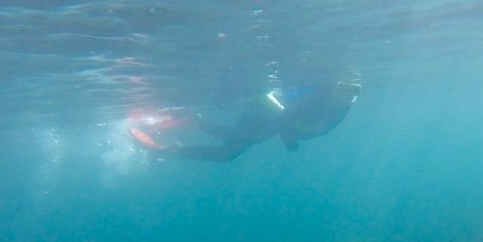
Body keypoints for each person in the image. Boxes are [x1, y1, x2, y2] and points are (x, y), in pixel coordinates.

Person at [131, 80, 361, 161]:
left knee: (236, 139)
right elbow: (287, 119)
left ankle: (195, 122)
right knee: (226, 153)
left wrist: (290, 135)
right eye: (345, 90)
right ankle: (165, 149)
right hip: (264, 117)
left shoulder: (338, 108)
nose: (349, 97)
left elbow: (298, 123)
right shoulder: (323, 103)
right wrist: (289, 140)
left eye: (353, 93)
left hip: (266, 120)